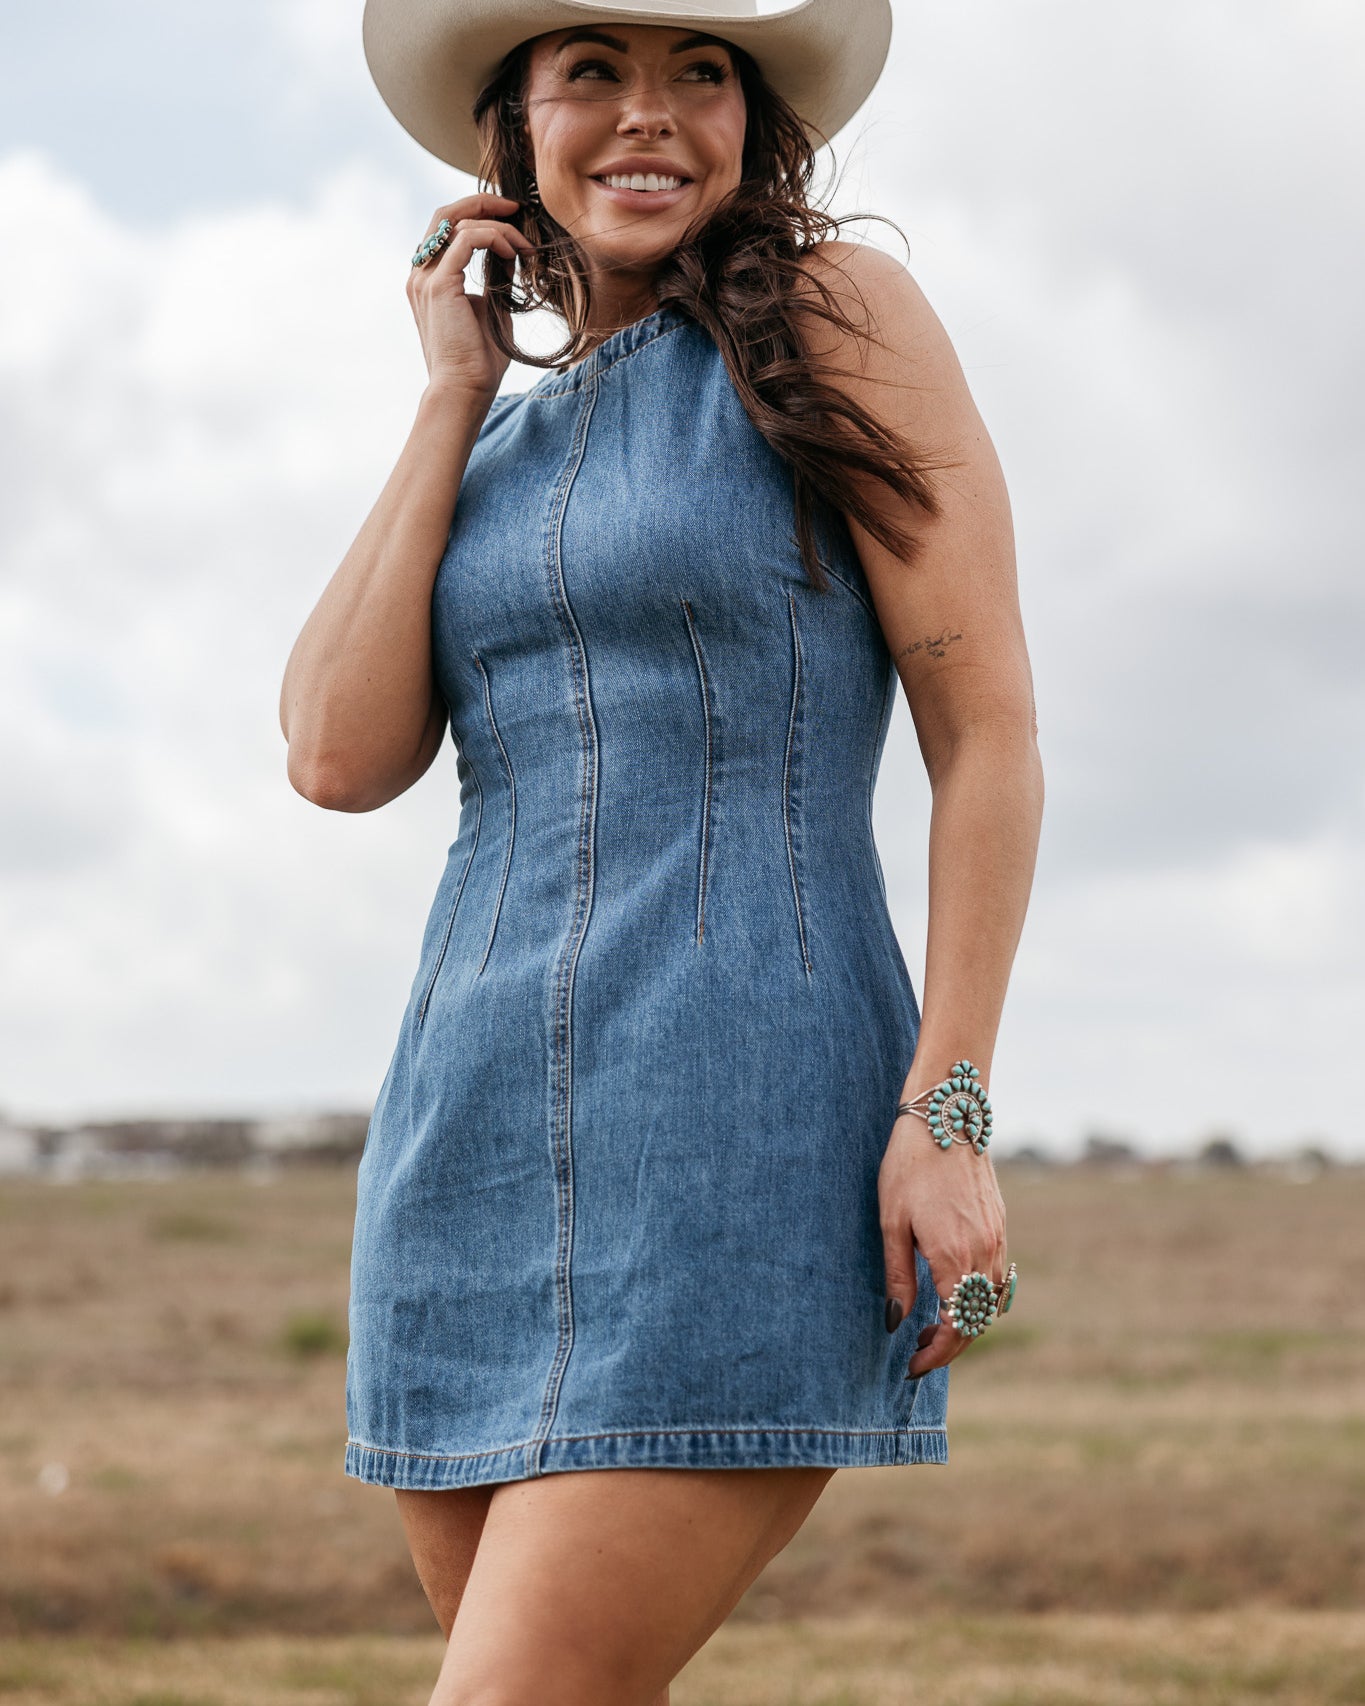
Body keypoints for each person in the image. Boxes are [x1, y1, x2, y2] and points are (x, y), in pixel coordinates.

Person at [279, 1, 1043, 1700]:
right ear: (511, 136)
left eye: (700, 73)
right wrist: (451, 392)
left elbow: (985, 736)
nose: (650, 116)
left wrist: (950, 1115)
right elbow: (333, 755)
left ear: (752, 126)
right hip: (461, 1147)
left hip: (737, 1131)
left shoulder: (839, 315)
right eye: (593, 74)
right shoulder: (485, 441)